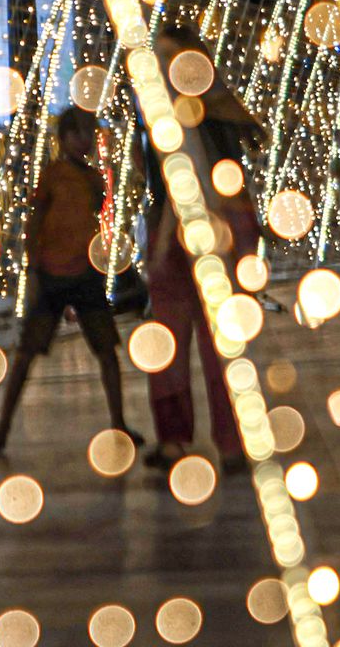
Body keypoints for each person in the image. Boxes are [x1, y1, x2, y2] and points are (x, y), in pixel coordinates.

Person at [0, 106, 142, 455]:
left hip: (83, 274)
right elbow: (36, 222)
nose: (84, 140)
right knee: (27, 353)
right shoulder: (54, 177)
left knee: (106, 351)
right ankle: (3, 427)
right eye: (77, 133)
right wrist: (34, 267)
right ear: (64, 138)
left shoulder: (92, 178)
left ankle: (119, 423)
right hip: (53, 275)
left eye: (88, 133)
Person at [137, 26, 261, 472]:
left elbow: (185, 184)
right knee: (190, 340)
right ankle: (214, 441)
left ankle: (207, 440)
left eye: (170, 58)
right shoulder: (210, 106)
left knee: (199, 342)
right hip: (210, 226)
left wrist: (160, 248)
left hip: (201, 227)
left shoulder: (183, 112)